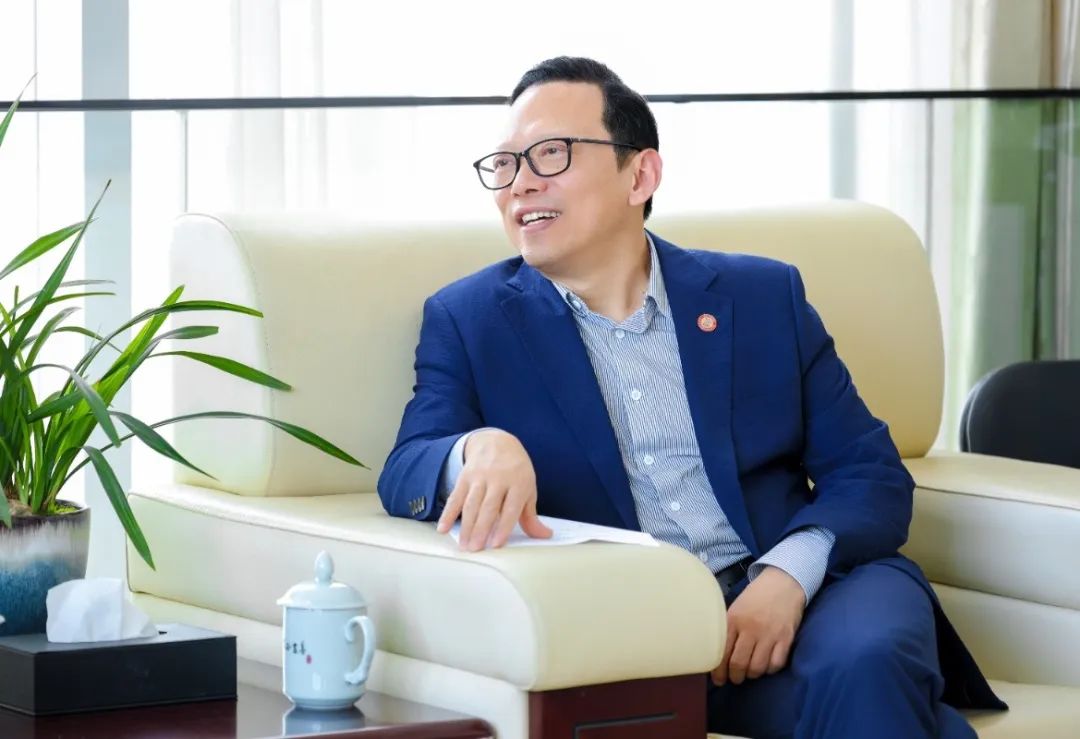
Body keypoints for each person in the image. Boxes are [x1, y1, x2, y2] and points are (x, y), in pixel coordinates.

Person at [378, 56, 1004, 738]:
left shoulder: (761, 296)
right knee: (894, 707)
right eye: (505, 164)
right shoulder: (469, 319)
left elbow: (869, 472)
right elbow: (406, 467)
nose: (520, 182)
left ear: (640, 175)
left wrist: (786, 576)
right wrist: (477, 448)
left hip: (824, 590)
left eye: (551, 153)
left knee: (869, 659)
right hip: (659, 637)